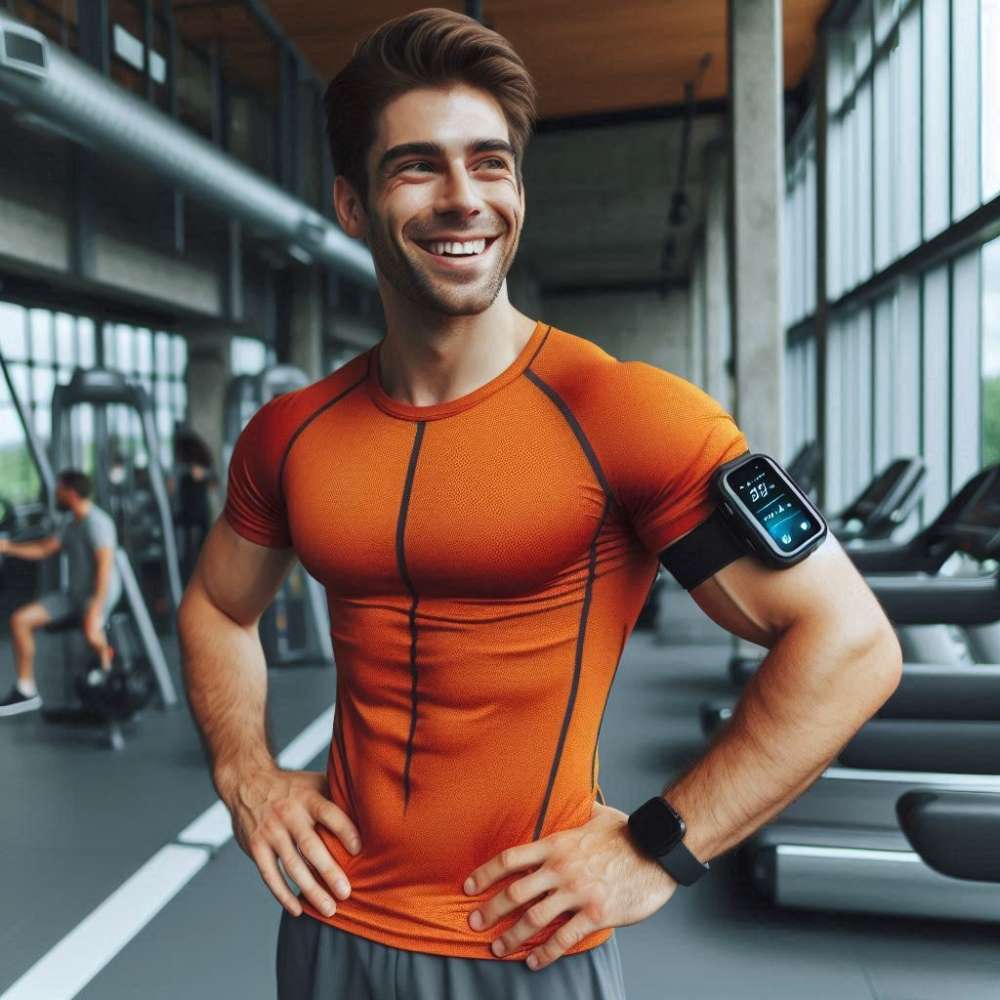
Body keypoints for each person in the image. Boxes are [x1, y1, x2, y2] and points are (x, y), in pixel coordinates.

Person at [177, 9, 903, 999]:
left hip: (518, 948)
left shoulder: (622, 411)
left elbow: (850, 642)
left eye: (489, 164)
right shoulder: (292, 432)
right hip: (328, 926)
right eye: (417, 167)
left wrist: (657, 847)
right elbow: (220, 606)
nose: (462, 197)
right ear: (351, 203)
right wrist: (247, 774)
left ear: (517, 190)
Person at [0, 469, 122, 717]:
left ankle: (108, 680)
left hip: (100, 594)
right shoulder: (70, 522)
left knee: (90, 630)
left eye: (59, 489)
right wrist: (8, 547)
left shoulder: (98, 523)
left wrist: (95, 610)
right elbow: (45, 549)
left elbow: (105, 571)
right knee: (20, 620)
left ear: (71, 492)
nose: (55, 493)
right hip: (73, 595)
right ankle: (26, 691)